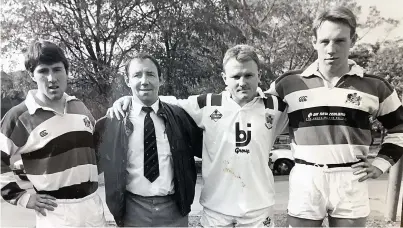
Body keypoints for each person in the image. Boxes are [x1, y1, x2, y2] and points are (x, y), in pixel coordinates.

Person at [108, 45, 288, 227]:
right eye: (235, 76)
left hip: (259, 209)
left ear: (259, 75)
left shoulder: (276, 106)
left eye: (248, 75)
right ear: (225, 78)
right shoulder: (208, 103)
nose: (242, 82)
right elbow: (164, 102)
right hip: (216, 209)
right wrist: (128, 100)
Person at [268, 6, 403, 227]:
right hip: (306, 175)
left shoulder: (375, 86)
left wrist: (381, 164)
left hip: (351, 176)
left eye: (340, 41)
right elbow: (254, 112)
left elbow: (399, 129)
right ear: (314, 42)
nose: (331, 49)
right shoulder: (288, 83)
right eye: (324, 41)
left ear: (353, 40)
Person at [0, 40, 106, 227]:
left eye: (57, 69)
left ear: (66, 71)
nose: (51, 78)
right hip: (56, 213)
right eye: (43, 71)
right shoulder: (19, 116)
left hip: (93, 210)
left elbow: (96, 153)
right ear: (32, 75)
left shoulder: (79, 106)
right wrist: (22, 197)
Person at [94, 53, 203, 227]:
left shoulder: (180, 117)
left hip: (175, 211)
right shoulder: (112, 123)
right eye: (137, 75)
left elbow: (208, 149)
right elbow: (87, 167)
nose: (144, 81)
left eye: (150, 74)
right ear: (128, 81)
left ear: (160, 79)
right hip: (132, 212)